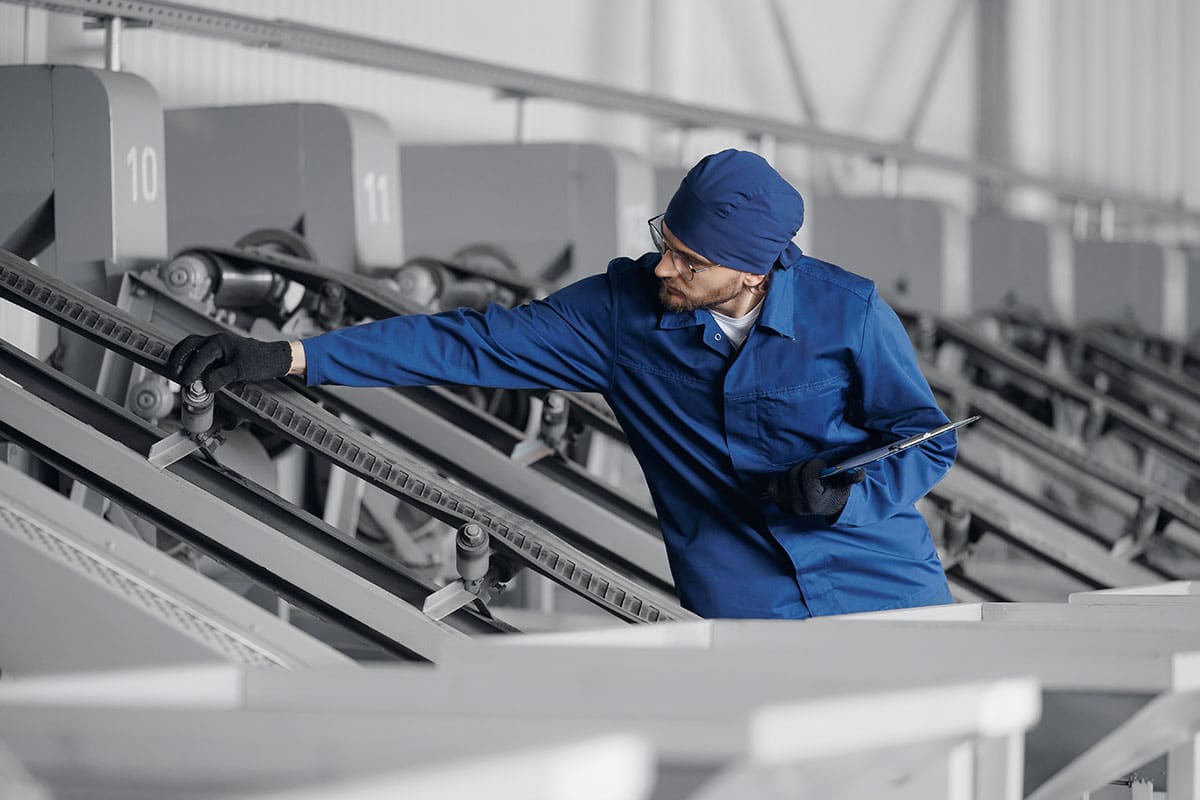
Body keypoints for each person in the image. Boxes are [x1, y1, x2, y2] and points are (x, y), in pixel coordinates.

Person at [169, 149, 957, 619]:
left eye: (690, 262)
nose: (665, 268)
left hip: (884, 587)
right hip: (748, 606)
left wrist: (847, 497)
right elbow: (466, 342)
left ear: (754, 272)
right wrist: (290, 356)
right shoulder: (619, 314)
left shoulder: (848, 313)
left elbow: (926, 440)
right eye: (665, 241)